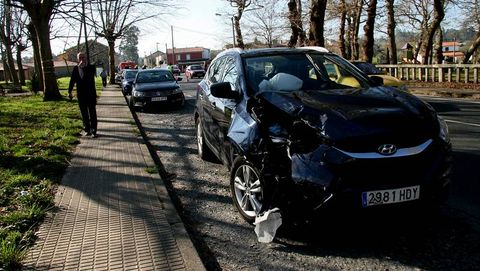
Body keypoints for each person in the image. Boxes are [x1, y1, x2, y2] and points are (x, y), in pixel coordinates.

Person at [68, 52, 98, 137]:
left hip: (90, 94)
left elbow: (88, 79)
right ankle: (87, 129)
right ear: (78, 59)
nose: (82, 59)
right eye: (80, 58)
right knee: (84, 113)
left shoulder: (91, 68)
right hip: (81, 95)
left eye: (83, 57)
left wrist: (82, 68)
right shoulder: (75, 69)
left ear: (86, 58)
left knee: (92, 113)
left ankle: (94, 130)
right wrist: (69, 91)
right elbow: (72, 80)